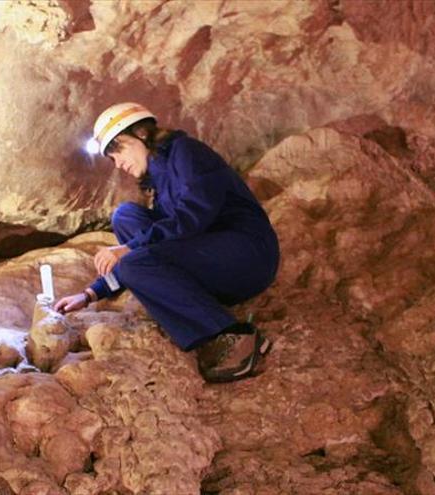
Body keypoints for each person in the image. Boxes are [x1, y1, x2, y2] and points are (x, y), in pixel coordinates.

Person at [53, 102, 280, 383]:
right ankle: (197, 303)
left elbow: (192, 217)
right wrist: (90, 294)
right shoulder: (160, 182)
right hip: (211, 255)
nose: (118, 164)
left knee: (135, 259)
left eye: (119, 150)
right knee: (126, 217)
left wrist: (129, 248)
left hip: (248, 255)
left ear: (141, 133)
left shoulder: (186, 152)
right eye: (112, 159)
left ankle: (232, 336)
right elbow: (157, 241)